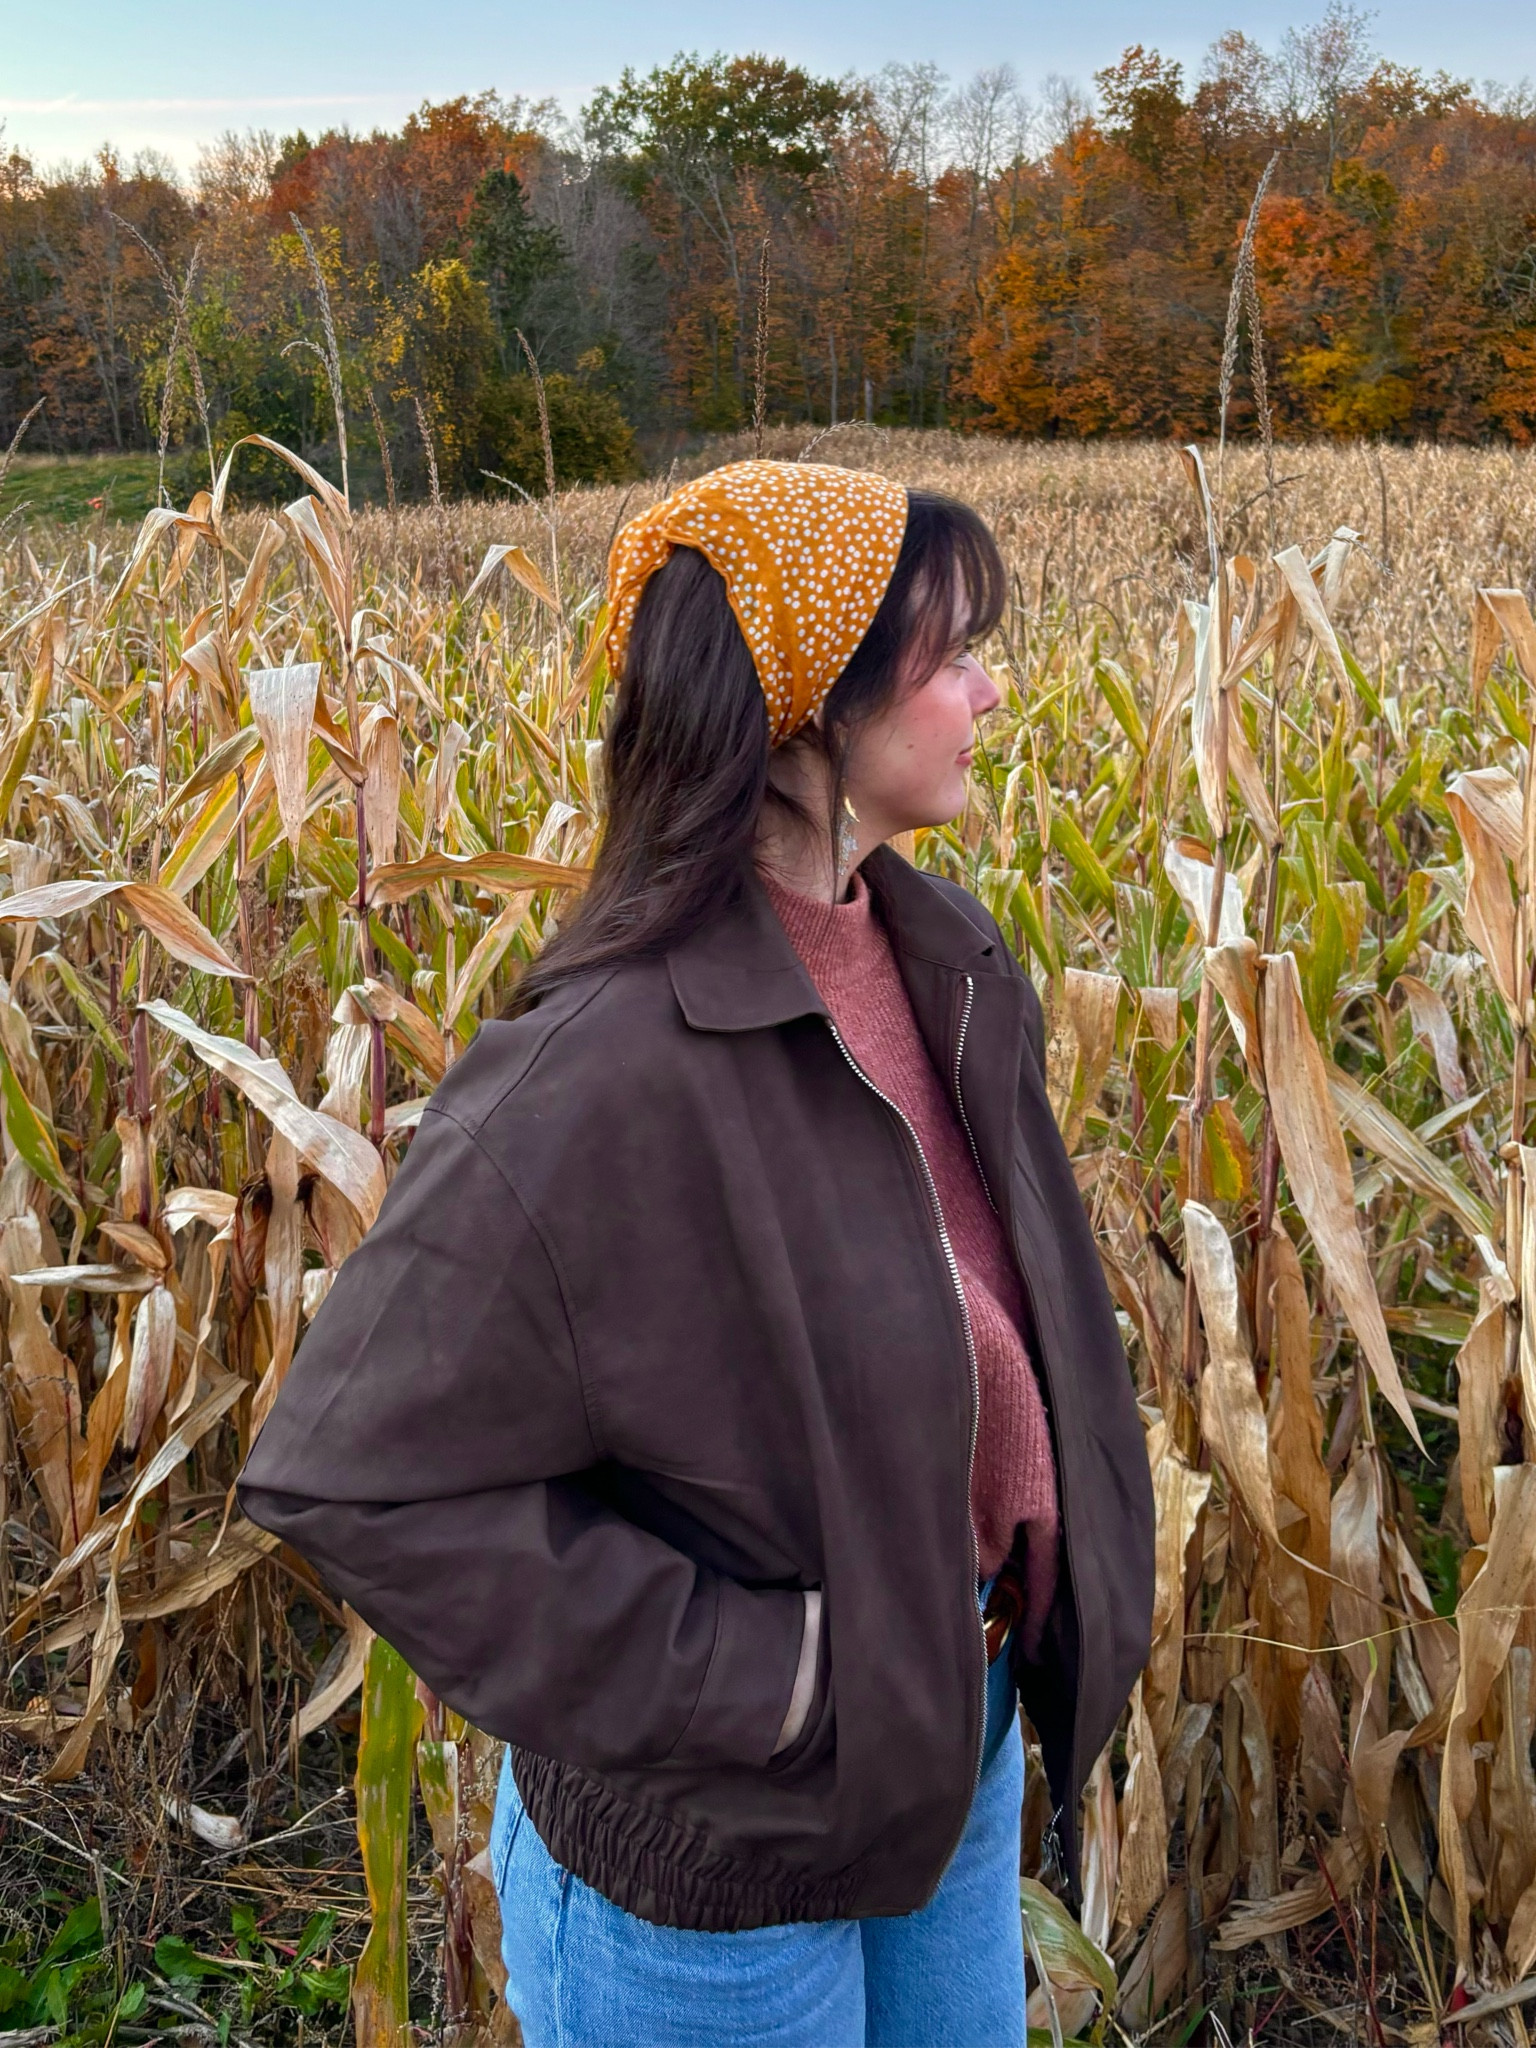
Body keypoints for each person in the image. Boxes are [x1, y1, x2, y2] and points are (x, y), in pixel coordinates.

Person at [237, 460, 1154, 2048]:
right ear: (809, 701)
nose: (990, 691)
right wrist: (773, 1677)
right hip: (716, 1860)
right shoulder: (599, 1066)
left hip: (950, 1745)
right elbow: (356, 1477)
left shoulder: (941, 963)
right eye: (948, 656)